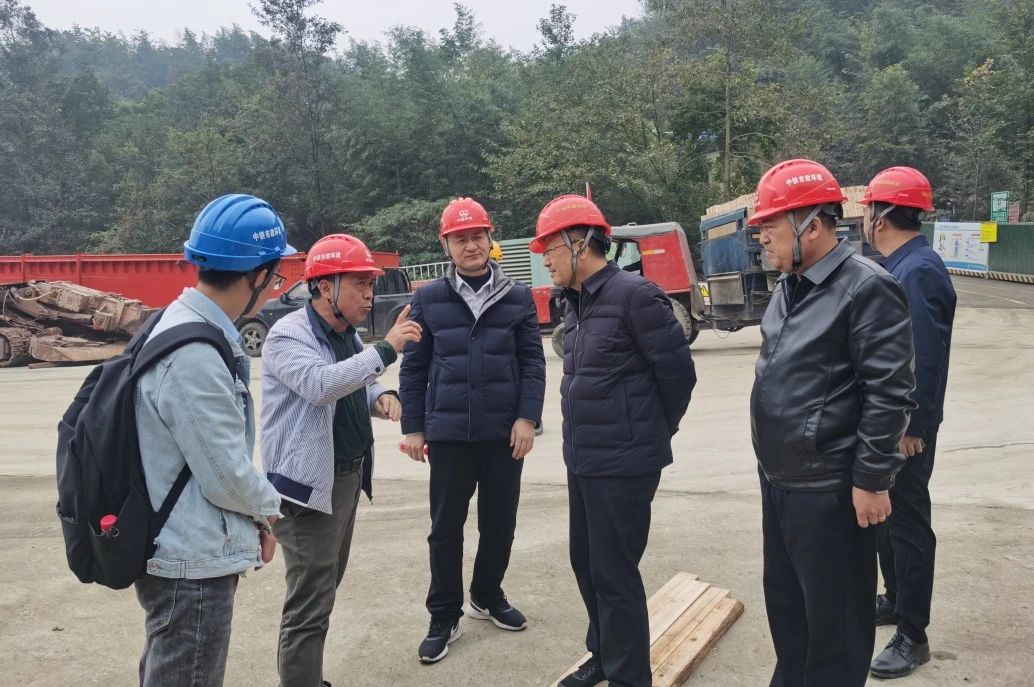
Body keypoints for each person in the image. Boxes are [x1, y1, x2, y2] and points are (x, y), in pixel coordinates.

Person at [748, 159, 917, 687]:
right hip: (780, 481)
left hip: (830, 488)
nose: (762, 239)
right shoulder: (790, 285)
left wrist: (872, 480)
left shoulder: (866, 288)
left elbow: (889, 392)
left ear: (813, 225)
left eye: (770, 226)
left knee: (834, 625)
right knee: (788, 610)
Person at [530, 194, 696, 687]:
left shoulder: (635, 296)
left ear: (580, 244)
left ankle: (629, 677)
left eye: (550, 249)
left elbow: (678, 377)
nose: (545, 260)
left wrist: (647, 433)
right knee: (586, 562)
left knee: (615, 572)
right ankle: (604, 655)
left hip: (624, 464)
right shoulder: (578, 302)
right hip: (584, 459)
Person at [134, 193, 293, 687]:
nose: (274, 287)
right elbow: (225, 472)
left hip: (181, 543)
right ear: (255, 276)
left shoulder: (176, 322)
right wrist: (268, 513)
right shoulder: (194, 354)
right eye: (276, 277)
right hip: (191, 562)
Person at [260, 233, 421, 687]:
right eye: (359, 284)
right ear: (325, 286)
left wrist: (379, 396)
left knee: (325, 588)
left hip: (345, 480)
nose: (369, 294)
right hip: (307, 490)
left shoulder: (343, 333)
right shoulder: (288, 335)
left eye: (371, 284)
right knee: (309, 603)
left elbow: (354, 381)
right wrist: (387, 349)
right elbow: (321, 384)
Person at [399, 197, 546, 664]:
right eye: (460, 238)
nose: (471, 245)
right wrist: (414, 427)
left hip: (504, 433)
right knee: (445, 529)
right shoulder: (428, 299)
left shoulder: (517, 296)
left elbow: (533, 362)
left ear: (489, 238)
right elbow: (413, 368)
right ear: (445, 244)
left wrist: (527, 418)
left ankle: (487, 594)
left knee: (500, 523)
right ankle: (444, 615)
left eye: (478, 236)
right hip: (447, 435)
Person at [861, 167, 956, 679]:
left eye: (867, 212)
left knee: (909, 524)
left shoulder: (916, 271)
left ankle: (913, 635)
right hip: (891, 421)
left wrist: (913, 425)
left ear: (880, 217)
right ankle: (896, 599)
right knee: (889, 521)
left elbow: (925, 355)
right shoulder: (900, 265)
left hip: (906, 428)